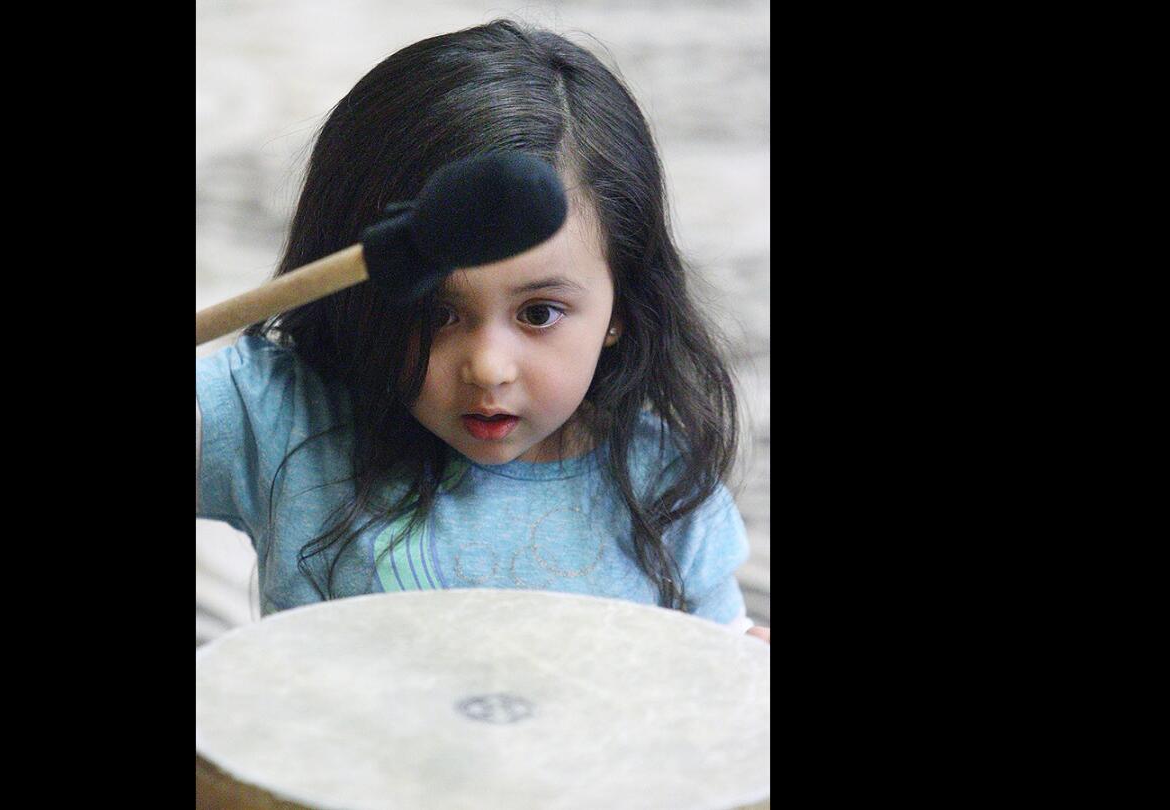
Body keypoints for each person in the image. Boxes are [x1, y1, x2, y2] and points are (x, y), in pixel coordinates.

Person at [196, 19, 768, 641]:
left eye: (539, 313)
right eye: (435, 314)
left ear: (621, 307)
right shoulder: (277, 419)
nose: (488, 367)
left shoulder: (665, 486)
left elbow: (711, 680)